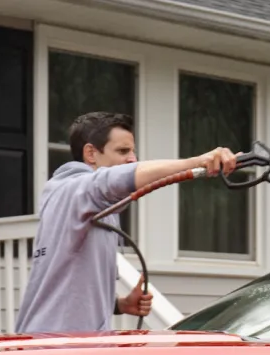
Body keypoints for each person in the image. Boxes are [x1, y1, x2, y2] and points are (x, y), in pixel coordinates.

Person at [13, 111, 238, 334]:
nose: (132, 158)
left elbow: (71, 283)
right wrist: (197, 162)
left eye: (133, 151)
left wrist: (120, 305)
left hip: (73, 345)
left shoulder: (92, 204)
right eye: (123, 151)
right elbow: (113, 180)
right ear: (91, 153)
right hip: (53, 347)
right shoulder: (71, 190)